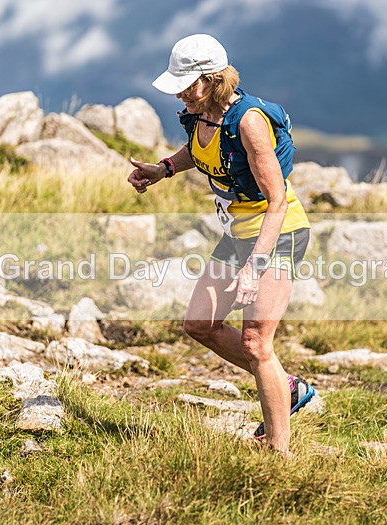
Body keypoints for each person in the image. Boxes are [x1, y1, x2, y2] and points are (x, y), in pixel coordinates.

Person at [127, 34, 314, 455]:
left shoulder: (249, 122)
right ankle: (287, 387)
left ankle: (278, 454)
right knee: (200, 324)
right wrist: (164, 169)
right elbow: (201, 151)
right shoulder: (200, 114)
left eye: (186, 85)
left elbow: (277, 202)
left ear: (212, 80)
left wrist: (254, 266)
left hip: (277, 233)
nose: (179, 93)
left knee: (256, 344)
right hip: (238, 232)